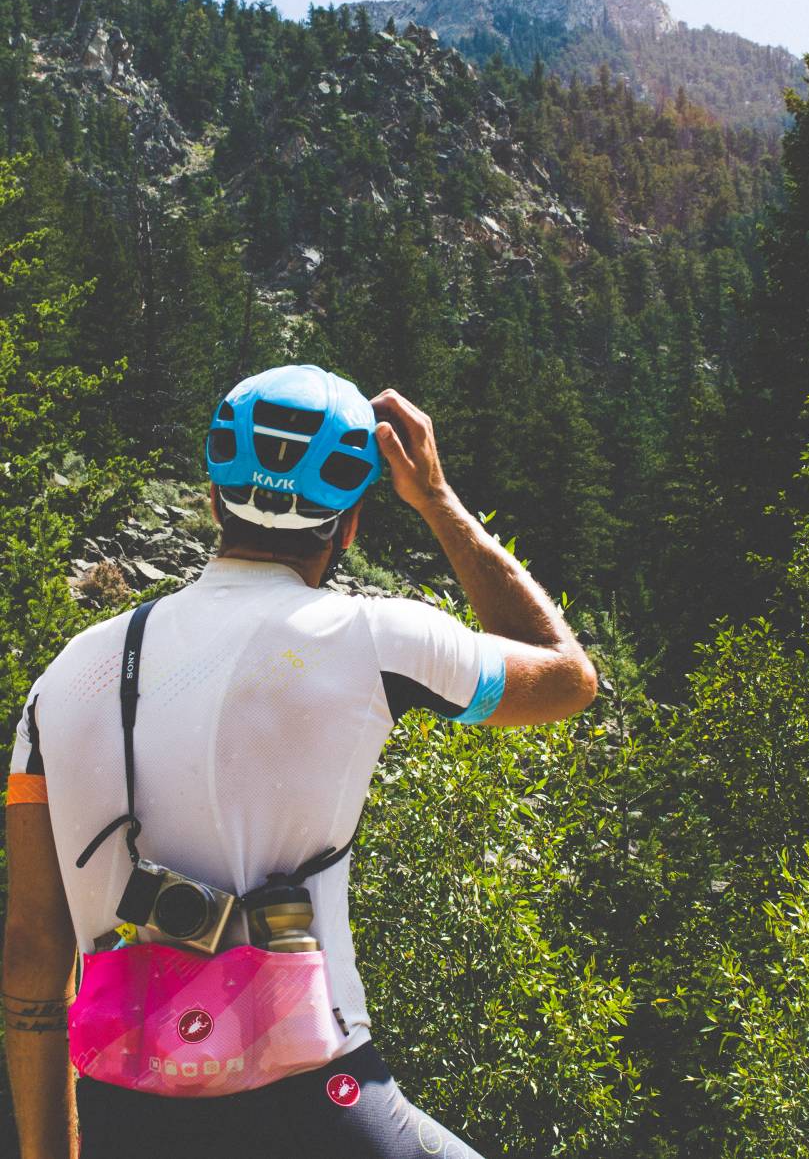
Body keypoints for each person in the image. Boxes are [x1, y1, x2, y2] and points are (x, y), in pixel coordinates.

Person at [3, 365, 597, 1159]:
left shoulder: (65, 677)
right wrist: (436, 501)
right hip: (316, 1103)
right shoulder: (380, 640)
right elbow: (566, 677)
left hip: (123, 1115)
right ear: (348, 526)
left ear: (211, 500)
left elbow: (33, 951)